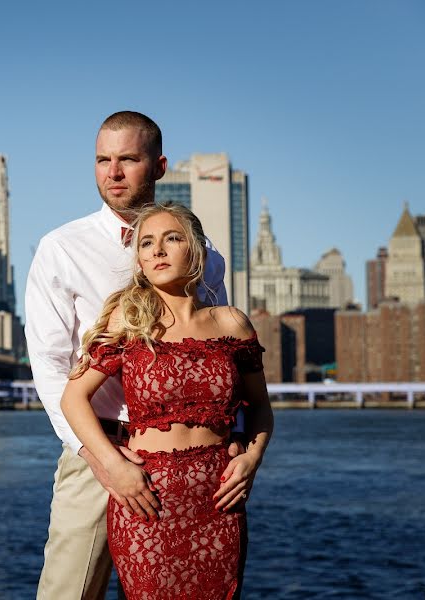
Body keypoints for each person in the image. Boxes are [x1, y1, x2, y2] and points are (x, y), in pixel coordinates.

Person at [25, 111, 235, 599]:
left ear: (159, 166)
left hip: (194, 462)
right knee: (68, 592)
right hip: (102, 452)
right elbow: (50, 369)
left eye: (127, 159)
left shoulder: (205, 254)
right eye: (102, 160)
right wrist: (100, 459)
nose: (112, 173)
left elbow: (220, 356)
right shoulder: (61, 249)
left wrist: (241, 447)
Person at [60, 202, 274, 598]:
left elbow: (259, 407)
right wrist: (112, 464)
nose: (157, 250)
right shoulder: (131, 319)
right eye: (146, 243)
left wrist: (251, 458)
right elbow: (74, 398)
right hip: (147, 500)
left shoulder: (233, 322)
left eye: (171, 238)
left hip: (218, 502)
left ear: (196, 250)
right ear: (138, 261)